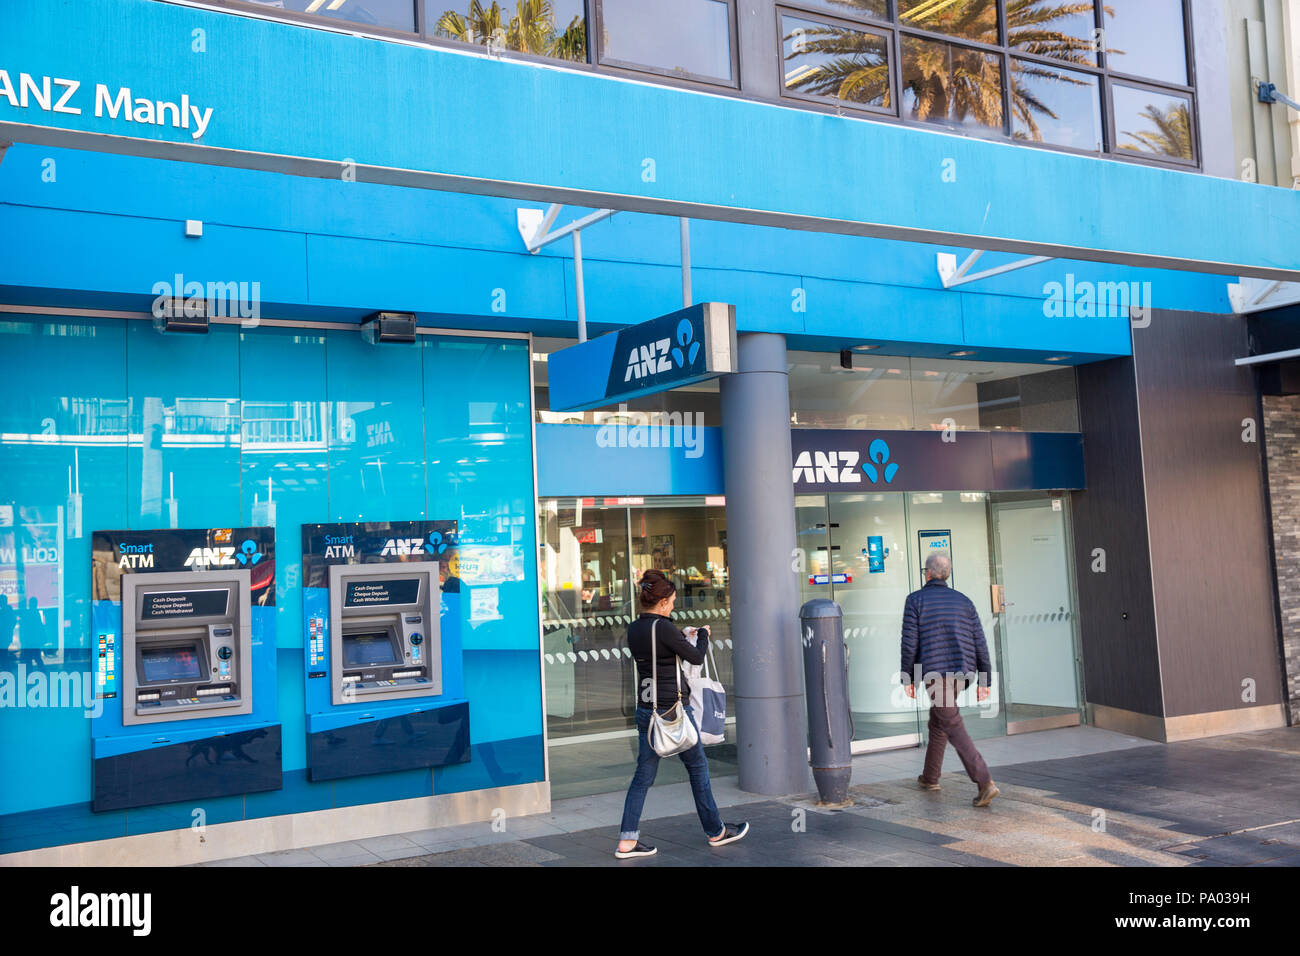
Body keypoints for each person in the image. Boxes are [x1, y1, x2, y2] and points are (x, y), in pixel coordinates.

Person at [615, 569, 748, 859]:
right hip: (673, 712)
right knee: (698, 769)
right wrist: (702, 635)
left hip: (646, 712)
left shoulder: (635, 628)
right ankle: (716, 832)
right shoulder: (663, 628)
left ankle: (627, 841)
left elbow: (661, 655)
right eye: (673, 600)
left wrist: (682, 636)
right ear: (662, 602)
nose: (674, 605)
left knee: (642, 777)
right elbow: (696, 657)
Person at [900, 553, 999, 808]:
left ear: (928, 573)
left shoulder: (915, 600)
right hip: (961, 673)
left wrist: (908, 676)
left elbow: (910, 643)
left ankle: (984, 781)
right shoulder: (963, 601)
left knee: (952, 723)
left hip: (935, 673)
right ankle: (929, 777)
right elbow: (980, 642)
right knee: (939, 722)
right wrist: (984, 680)